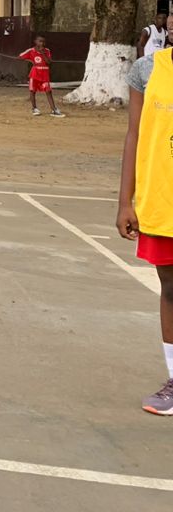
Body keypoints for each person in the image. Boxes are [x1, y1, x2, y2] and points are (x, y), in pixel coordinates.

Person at [116, 49, 173, 415]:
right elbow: (134, 134)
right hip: (161, 200)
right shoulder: (148, 68)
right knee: (171, 288)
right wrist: (125, 201)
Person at [19, 35, 65, 117]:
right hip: (35, 74)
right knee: (32, 91)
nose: (42, 43)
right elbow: (19, 57)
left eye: (43, 42)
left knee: (48, 91)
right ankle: (34, 108)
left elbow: (49, 62)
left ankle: (53, 109)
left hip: (44, 74)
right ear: (35, 42)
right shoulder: (31, 51)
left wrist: (43, 54)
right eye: (40, 41)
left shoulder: (47, 51)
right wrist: (30, 60)